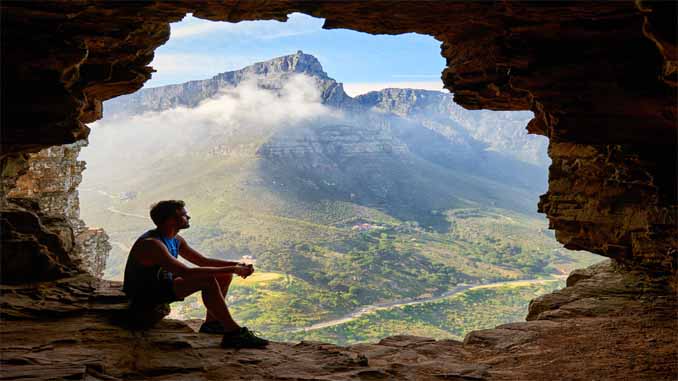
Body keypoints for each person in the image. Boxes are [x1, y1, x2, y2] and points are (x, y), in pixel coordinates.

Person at [122, 199, 268, 348]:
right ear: (171, 220)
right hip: (145, 296)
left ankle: (213, 324)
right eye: (184, 215)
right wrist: (234, 269)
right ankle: (234, 333)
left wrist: (236, 265)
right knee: (207, 280)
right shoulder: (152, 244)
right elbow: (185, 272)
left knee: (223, 275)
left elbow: (203, 261)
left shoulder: (175, 239)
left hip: (161, 285)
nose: (188, 217)